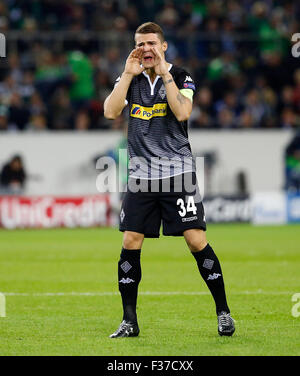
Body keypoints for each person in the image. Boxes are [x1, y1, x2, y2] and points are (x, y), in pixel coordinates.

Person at [104, 22, 235, 338]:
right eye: (140, 44)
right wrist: (126, 73)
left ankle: (224, 313)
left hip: (177, 173)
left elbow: (182, 112)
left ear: (163, 46)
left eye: (151, 43)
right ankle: (129, 321)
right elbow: (110, 111)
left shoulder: (181, 75)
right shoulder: (129, 79)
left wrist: (164, 75)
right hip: (140, 176)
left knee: (195, 239)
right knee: (130, 241)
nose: (145, 48)